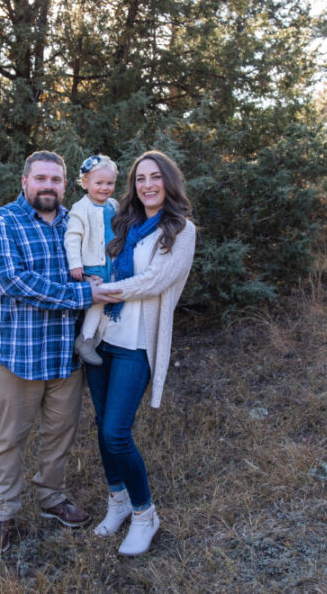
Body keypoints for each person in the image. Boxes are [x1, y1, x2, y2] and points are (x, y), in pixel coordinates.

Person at [0, 150, 121, 555]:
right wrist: (83, 292)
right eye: (40, 179)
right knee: (10, 440)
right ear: (25, 182)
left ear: (64, 184)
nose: (48, 186)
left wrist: (95, 278)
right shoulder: (3, 222)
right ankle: (2, 513)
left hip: (63, 357)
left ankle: (52, 498)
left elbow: (91, 261)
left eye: (55, 180)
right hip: (16, 358)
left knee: (59, 436)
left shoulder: (71, 223)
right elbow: (14, 282)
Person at [84, 150, 196, 557]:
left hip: (136, 346)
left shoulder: (181, 230)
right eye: (140, 178)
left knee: (117, 433)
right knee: (101, 425)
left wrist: (105, 290)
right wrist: (97, 281)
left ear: (168, 181)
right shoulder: (125, 224)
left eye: (155, 177)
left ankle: (145, 514)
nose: (147, 185)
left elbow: (154, 281)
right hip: (103, 338)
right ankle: (116, 502)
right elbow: (106, 266)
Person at [64, 154, 120, 366]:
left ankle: (96, 338)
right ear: (85, 183)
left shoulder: (113, 205)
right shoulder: (81, 207)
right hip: (93, 264)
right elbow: (72, 237)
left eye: (110, 183)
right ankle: (85, 340)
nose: (105, 188)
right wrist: (75, 264)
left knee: (110, 299)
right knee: (98, 300)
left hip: (111, 262)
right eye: (99, 183)